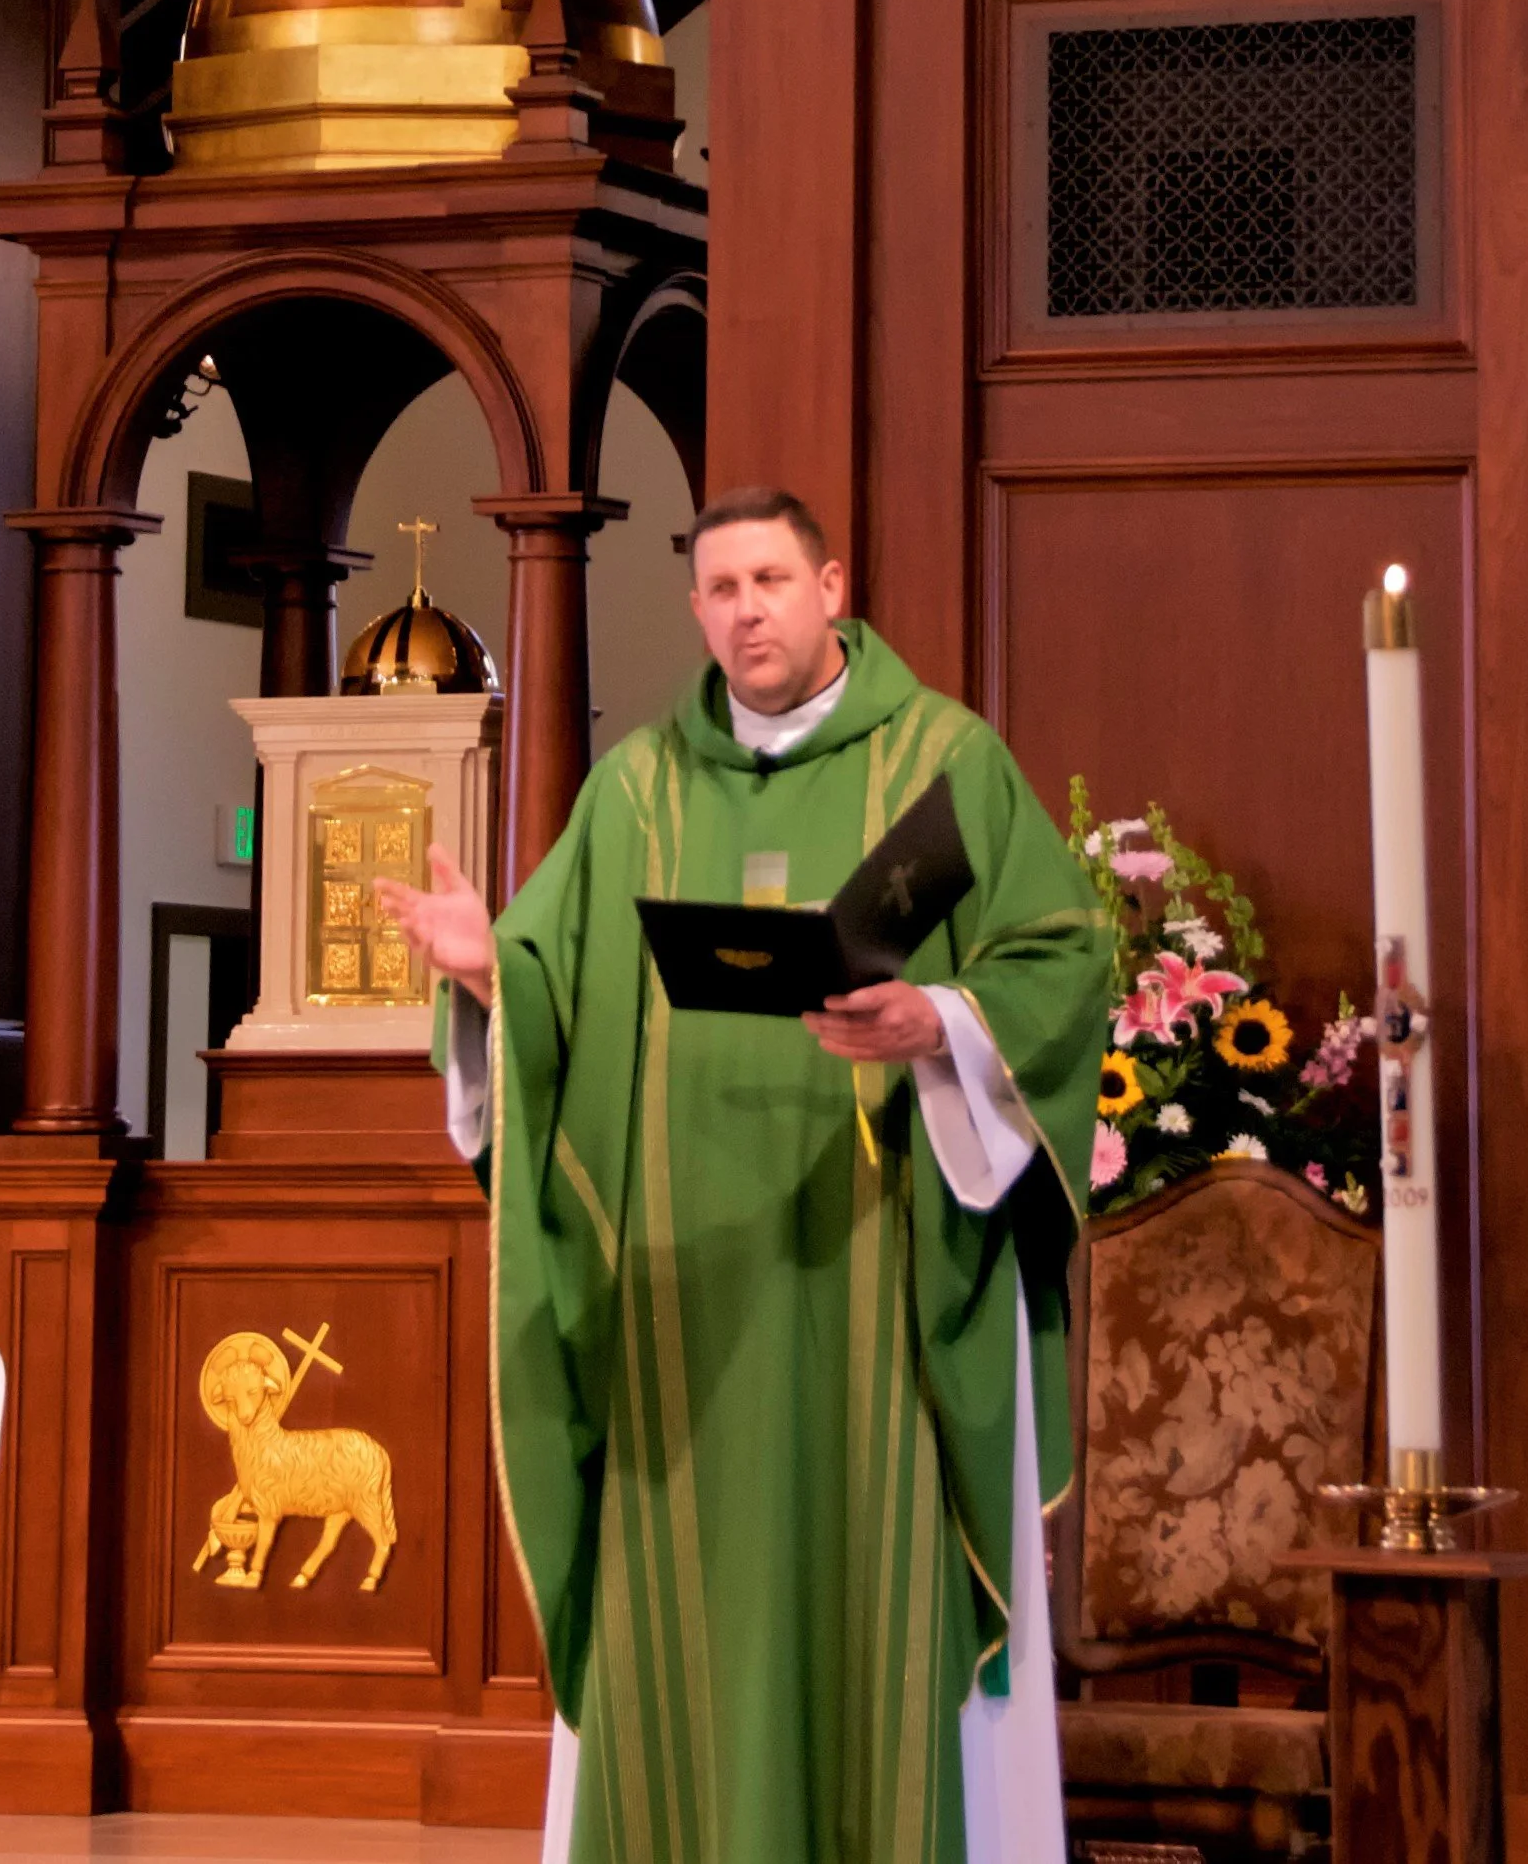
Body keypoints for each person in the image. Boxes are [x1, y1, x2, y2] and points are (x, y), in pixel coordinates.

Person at [377, 487, 1110, 1864]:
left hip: (879, 1284)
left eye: (771, 577)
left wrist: (938, 1022)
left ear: (832, 584)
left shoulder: (942, 764)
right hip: (684, 1305)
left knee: (869, 1615)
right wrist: (489, 969)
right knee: (686, 1627)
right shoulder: (638, 787)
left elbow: (1063, 959)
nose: (745, 608)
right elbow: (556, 989)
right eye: (718, 587)